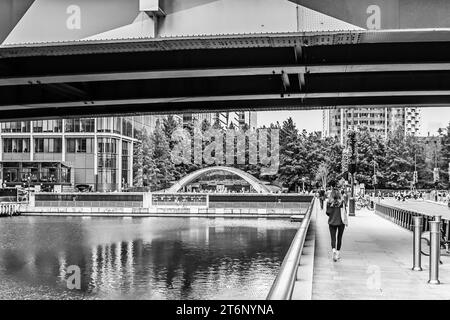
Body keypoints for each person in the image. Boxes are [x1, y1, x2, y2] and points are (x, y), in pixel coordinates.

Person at [326, 188, 349, 262]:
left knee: (333, 238)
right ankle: (338, 253)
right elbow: (345, 211)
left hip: (332, 222)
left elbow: (327, 213)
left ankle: (333, 250)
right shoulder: (342, 202)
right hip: (341, 222)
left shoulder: (329, 202)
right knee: (339, 237)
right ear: (339, 194)